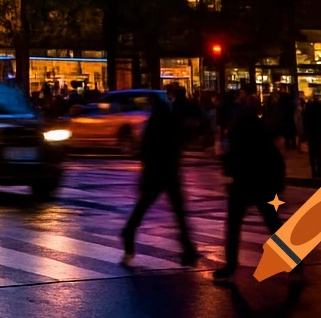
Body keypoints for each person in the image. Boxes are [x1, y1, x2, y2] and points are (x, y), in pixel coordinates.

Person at [120, 87, 199, 267]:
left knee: (145, 207)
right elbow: (179, 141)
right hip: (167, 172)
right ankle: (187, 248)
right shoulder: (169, 122)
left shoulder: (153, 125)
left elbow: (145, 151)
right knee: (178, 211)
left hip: (155, 174)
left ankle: (129, 232)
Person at [213, 89, 285, 282]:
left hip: (243, 185)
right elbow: (275, 157)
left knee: (234, 225)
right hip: (262, 184)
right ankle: (296, 264)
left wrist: (228, 177)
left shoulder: (237, 132)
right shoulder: (260, 131)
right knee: (273, 223)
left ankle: (230, 266)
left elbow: (232, 157)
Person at [303, 93, 321, 181]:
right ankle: (319, 170)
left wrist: (305, 133)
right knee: (318, 153)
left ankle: (314, 170)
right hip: (318, 132)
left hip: (311, 132)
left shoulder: (308, 109)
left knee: (312, 153)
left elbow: (305, 121)